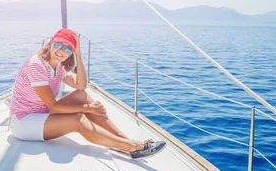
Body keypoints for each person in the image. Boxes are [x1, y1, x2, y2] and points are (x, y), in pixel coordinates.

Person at [9, 28, 166, 160]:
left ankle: (126, 140)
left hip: (41, 113)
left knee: (81, 95)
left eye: (68, 49)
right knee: (78, 120)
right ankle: (130, 147)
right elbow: (54, 107)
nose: (61, 51)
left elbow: (81, 86)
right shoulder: (36, 65)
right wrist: (88, 109)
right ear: (51, 43)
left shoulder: (58, 67)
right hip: (24, 122)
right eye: (58, 44)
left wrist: (78, 53)